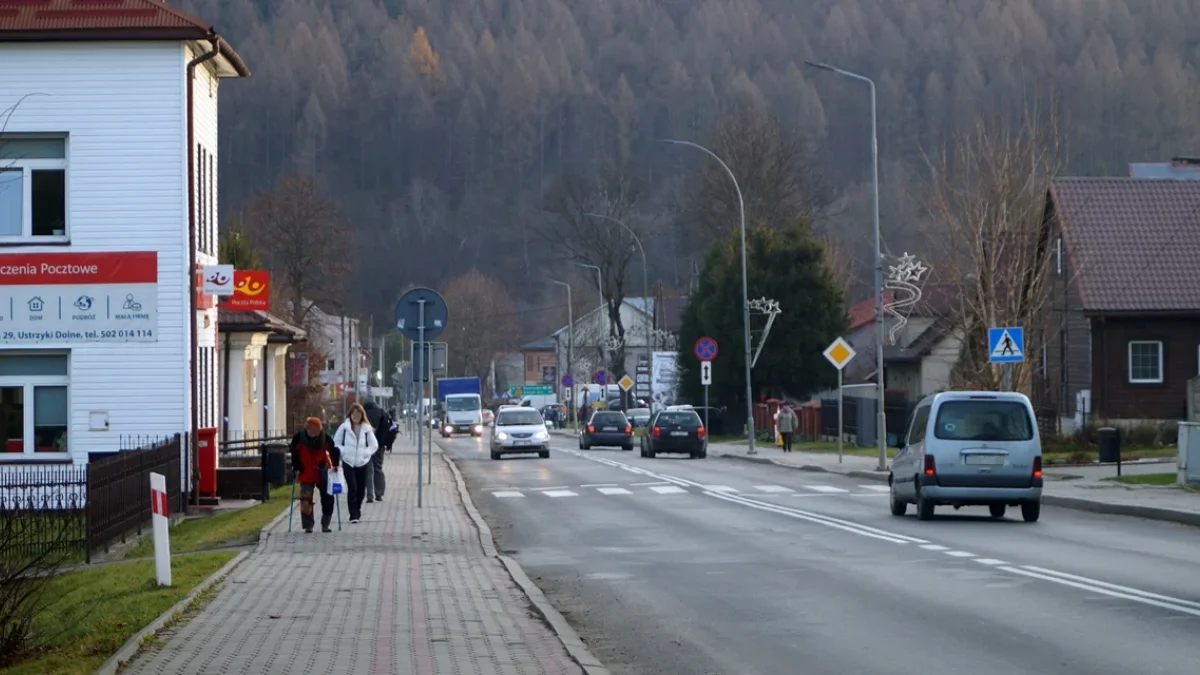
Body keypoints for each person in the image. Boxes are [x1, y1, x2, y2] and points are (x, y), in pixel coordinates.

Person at [288, 417, 340, 533]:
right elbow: (294, 455)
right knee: (306, 498)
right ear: (306, 428)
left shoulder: (325, 438)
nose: (314, 434)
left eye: (316, 431)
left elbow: (333, 452)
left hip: (322, 471)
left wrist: (335, 465)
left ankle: (325, 524)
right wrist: (296, 468)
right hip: (305, 471)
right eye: (311, 431)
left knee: (328, 498)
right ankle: (308, 525)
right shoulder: (298, 438)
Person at [334, 403, 378, 523]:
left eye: (358, 414)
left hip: (362, 462)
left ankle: (357, 509)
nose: (356, 416)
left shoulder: (366, 429)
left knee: (361, 490)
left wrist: (365, 453)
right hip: (348, 462)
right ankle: (353, 514)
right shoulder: (344, 427)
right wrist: (344, 452)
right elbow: (336, 443)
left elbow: (374, 445)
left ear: (362, 415)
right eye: (354, 414)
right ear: (350, 414)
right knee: (352, 487)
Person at [362, 400, 391, 502]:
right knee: (378, 468)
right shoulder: (381, 412)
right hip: (379, 446)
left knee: (368, 469)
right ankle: (379, 494)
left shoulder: (363, 413)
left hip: (366, 445)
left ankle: (370, 496)